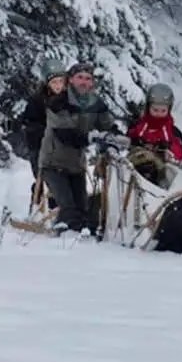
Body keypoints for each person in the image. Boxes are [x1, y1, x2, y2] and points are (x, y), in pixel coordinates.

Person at [38, 62, 123, 235]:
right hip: (53, 163)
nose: (84, 82)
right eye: (80, 77)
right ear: (70, 80)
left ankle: (84, 237)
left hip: (77, 166)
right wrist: (91, 137)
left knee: (84, 210)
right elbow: (66, 134)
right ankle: (62, 239)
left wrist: (114, 137)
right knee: (68, 208)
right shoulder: (58, 102)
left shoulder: (96, 103)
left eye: (88, 78)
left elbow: (107, 124)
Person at [20, 59, 67, 204]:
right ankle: (40, 205)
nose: (58, 86)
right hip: (41, 149)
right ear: (47, 83)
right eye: (54, 82)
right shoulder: (37, 101)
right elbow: (30, 126)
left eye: (61, 81)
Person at [127, 83, 182, 189]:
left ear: (169, 110)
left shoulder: (173, 132)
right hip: (135, 169)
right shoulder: (138, 126)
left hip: (161, 175)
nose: (158, 114)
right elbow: (127, 139)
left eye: (163, 111)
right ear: (148, 107)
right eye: (155, 110)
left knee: (171, 173)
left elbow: (179, 152)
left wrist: (167, 150)